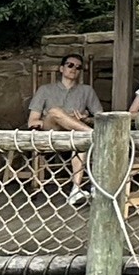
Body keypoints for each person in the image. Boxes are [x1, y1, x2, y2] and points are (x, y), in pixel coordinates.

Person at [27, 53, 102, 200]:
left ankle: (76, 189)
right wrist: (60, 118)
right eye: (70, 65)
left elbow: (100, 117)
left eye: (78, 67)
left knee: (81, 142)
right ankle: (96, 135)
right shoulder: (45, 89)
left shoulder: (87, 90)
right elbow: (32, 121)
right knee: (55, 111)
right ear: (62, 68)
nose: (74, 68)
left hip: (75, 132)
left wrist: (87, 118)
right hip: (51, 130)